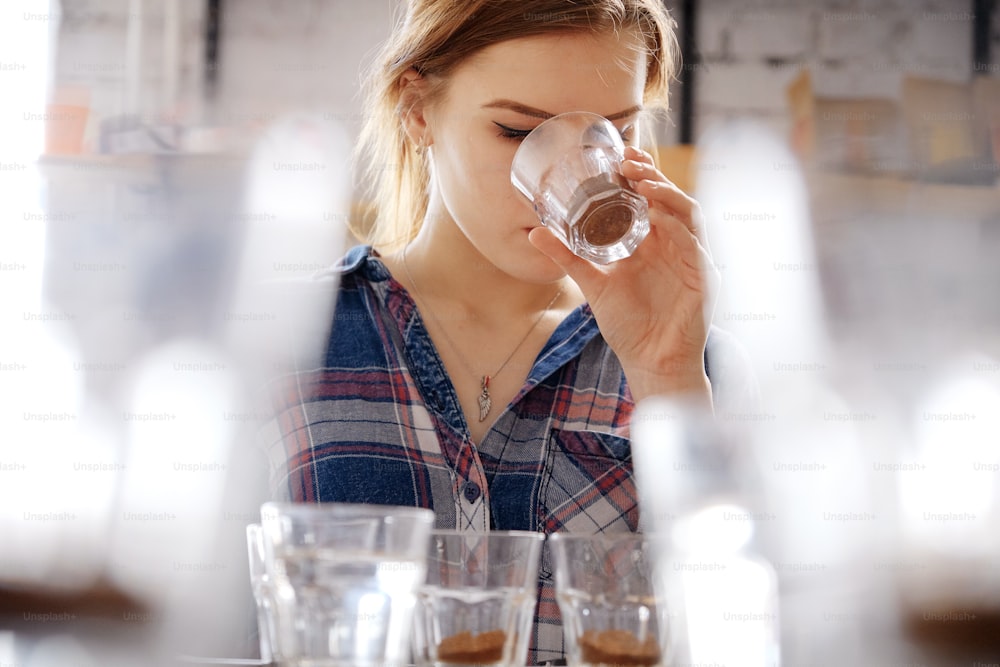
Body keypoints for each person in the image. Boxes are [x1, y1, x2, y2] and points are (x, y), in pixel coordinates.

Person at [265, 0, 758, 663]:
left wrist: (668, 374)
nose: (566, 180)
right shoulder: (282, 342)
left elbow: (742, 638)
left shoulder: (699, 366)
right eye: (516, 131)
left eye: (608, 132)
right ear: (417, 110)